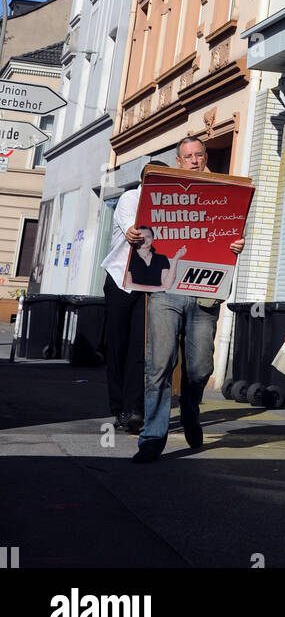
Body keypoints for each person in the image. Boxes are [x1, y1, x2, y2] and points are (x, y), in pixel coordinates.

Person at [131, 136, 245, 464]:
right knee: (158, 366)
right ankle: (152, 438)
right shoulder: (161, 194)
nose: (194, 160)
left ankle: (191, 409)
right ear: (179, 161)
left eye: (199, 155)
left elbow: (234, 232)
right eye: (188, 156)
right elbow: (143, 232)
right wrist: (133, 235)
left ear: (205, 156)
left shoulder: (224, 192)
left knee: (199, 370)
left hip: (204, 295)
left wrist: (237, 244)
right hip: (166, 291)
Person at [101, 184, 146, 434]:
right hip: (119, 280)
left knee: (138, 348)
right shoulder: (131, 198)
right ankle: (118, 407)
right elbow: (132, 230)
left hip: (145, 284)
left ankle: (134, 410)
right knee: (117, 346)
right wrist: (133, 232)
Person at [124, 228, 186, 292]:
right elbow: (127, 285)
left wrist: (176, 259)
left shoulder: (161, 258)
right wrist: (159, 288)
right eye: (140, 237)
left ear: (152, 239)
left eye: (148, 236)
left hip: (159, 297)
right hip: (135, 297)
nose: (144, 239)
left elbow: (167, 285)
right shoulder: (128, 258)